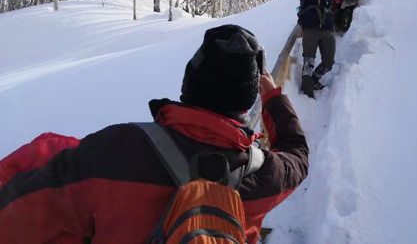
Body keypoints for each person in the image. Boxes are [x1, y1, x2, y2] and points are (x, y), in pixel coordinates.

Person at [0, 25, 309, 244]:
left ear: (189, 84)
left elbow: (17, 211)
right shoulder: (265, 173)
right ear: (246, 101)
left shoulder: (118, 150)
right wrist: (273, 97)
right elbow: (298, 154)